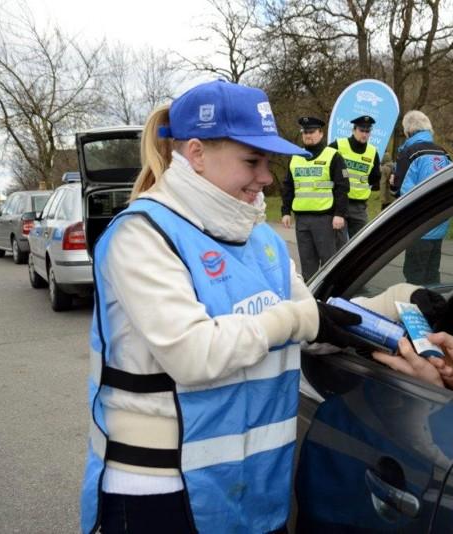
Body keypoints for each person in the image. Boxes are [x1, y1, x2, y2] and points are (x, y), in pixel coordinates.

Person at [79, 80, 366, 534]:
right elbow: (194, 353)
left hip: (253, 495)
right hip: (159, 496)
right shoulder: (141, 236)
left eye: (267, 162)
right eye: (252, 160)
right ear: (195, 153)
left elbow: (311, 320)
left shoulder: (263, 240)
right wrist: (296, 319)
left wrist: (385, 310)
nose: (267, 177)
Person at [281, 116, 350, 280]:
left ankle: (330, 297)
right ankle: (312, 298)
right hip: (302, 219)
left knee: (329, 263)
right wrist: (285, 211)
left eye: (311, 132)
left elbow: (342, 187)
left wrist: (339, 214)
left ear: (321, 133)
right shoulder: (295, 157)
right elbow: (288, 186)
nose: (308, 135)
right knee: (307, 264)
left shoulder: (333, 156)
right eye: (305, 132)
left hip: (325, 218)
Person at [393, 110, 451, 285]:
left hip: (419, 224)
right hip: (440, 222)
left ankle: (417, 310)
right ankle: (434, 309)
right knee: (432, 273)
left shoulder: (409, 152)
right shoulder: (443, 153)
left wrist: (391, 183)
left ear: (408, 131)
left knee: (414, 274)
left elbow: (399, 189)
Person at [329, 115, 381, 243]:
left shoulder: (373, 152)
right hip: (339, 203)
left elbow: (375, 178)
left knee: (360, 245)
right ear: (354, 130)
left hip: (359, 207)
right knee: (338, 246)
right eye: (361, 130)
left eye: (367, 131)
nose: (364, 134)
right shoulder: (338, 145)